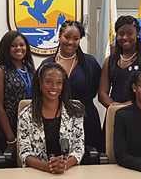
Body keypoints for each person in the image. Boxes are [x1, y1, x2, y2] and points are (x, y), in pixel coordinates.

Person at [41, 20, 103, 152]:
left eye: (76, 38)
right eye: (67, 37)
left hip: (86, 119)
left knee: (88, 160)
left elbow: (93, 90)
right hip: (55, 119)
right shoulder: (47, 64)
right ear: (59, 36)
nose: (71, 42)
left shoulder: (90, 63)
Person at [18, 62, 85, 173]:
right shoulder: (26, 114)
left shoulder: (74, 112)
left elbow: (78, 148)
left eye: (59, 83)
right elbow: (25, 153)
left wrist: (63, 165)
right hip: (38, 173)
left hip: (68, 173)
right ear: (40, 82)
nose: (54, 87)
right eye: (49, 82)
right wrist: (47, 166)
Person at [99, 15, 141, 108]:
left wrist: (130, 106)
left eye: (129, 33)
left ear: (137, 34)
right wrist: (116, 106)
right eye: (121, 34)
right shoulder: (110, 61)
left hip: (140, 114)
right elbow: (102, 93)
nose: (125, 37)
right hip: (115, 113)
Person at [0, 31, 35, 152]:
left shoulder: (31, 70)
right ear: (6, 48)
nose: (18, 48)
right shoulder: (0, 71)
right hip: (8, 126)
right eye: (13, 45)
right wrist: (11, 138)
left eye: (22, 45)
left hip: (29, 124)